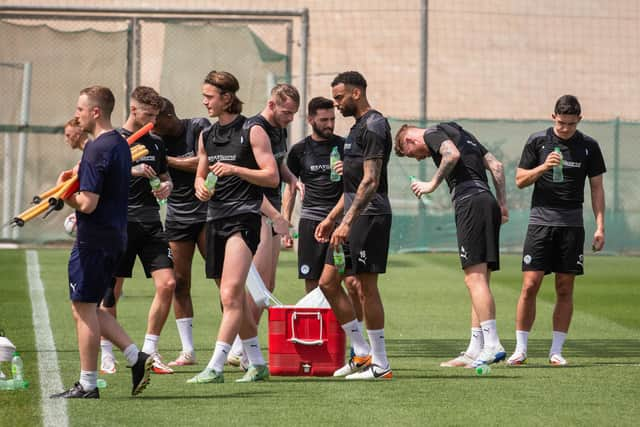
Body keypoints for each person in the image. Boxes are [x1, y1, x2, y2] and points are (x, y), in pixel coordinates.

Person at [50, 86, 152, 399]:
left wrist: (65, 194)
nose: (76, 113)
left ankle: (88, 384)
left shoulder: (96, 148)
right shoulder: (119, 144)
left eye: (81, 109)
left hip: (94, 239)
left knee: (82, 309)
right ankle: (137, 357)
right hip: (114, 236)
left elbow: (88, 203)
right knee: (92, 306)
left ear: (95, 112)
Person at [187, 70, 278, 384]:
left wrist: (236, 169)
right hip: (214, 219)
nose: (205, 102)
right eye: (205, 96)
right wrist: (201, 186)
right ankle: (258, 363)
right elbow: (201, 173)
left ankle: (215, 366)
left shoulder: (252, 130)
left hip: (244, 218)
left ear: (227, 97)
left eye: (210, 96)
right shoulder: (206, 135)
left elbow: (272, 176)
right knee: (231, 300)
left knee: (230, 294)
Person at [394, 121, 509, 368]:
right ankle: (475, 349)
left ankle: (492, 344)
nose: (420, 159)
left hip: (470, 201)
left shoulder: (433, 133)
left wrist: (430, 185)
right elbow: (496, 167)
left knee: (473, 280)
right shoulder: (459, 131)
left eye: (413, 155)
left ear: (409, 141)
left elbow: (451, 154)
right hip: (486, 200)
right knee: (479, 280)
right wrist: (501, 204)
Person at [507, 95, 606, 366]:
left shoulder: (589, 147)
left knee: (565, 287)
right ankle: (521, 349)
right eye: (561, 123)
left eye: (571, 124)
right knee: (530, 285)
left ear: (579, 121)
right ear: (553, 117)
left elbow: (596, 188)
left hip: (572, 225)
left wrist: (600, 226)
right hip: (540, 222)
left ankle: (556, 351)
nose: (565, 129)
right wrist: (543, 166)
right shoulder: (537, 141)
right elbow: (519, 181)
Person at [315, 71, 393, 380]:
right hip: (351, 216)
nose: (336, 104)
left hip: (370, 216)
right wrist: (332, 217)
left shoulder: (374, 125)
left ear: (356, 94)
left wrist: (347, 222)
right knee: (327, 282)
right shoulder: (357, 128)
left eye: (339, 97)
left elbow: (371, 182)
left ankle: (382, 364)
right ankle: (361, 352)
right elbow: (352, 186)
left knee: (366, 289)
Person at [99, 86, 176, 375]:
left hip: (151, 223)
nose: (152, 122)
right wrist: (130, 171)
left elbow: (166, 177)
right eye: (148, 115)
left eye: (156, 116)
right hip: (119, 223)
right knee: (112, 290)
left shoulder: (156, 142)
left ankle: (151, 349)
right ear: (133, 111)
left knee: (168, 283)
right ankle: (107, 354)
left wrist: (167, 186)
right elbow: (99, 176)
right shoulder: (114, 141)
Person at [227, 83, 300, 365]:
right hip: (258, 210)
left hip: (271, 211)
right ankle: (239, 347)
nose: (290, 118)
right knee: (255, 284)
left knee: (267, 284)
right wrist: (277, 215)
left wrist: (290, 176)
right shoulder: (255, 128)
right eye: (286, 112)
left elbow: (275, 163)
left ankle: (242, 346)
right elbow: (254, 180)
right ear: (272, 105)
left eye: (293, 114)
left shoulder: (278, 129)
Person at [284, 96, 364, 328]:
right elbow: (290, 187)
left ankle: (355, 338)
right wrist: (285, 223)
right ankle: (321, 333)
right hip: (310, 221)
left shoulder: (345, 146)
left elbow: (356, 187)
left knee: (352, 282)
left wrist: (349, 171)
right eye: (324, 120)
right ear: (310, 119)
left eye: (332, 119)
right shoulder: (299, 150)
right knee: (313, 282)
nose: (330, 124)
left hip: (342, 222)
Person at [152, 97, 210, 367]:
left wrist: (166, 161)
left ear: (169, 116)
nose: (151, 125)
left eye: (155, 119)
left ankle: (238, 349)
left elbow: (203, 162)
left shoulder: (198, 126)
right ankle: (188, 351)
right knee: (179, 283)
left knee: (224, 280)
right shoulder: (155, 139)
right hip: (177, 216)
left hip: (208, 214)